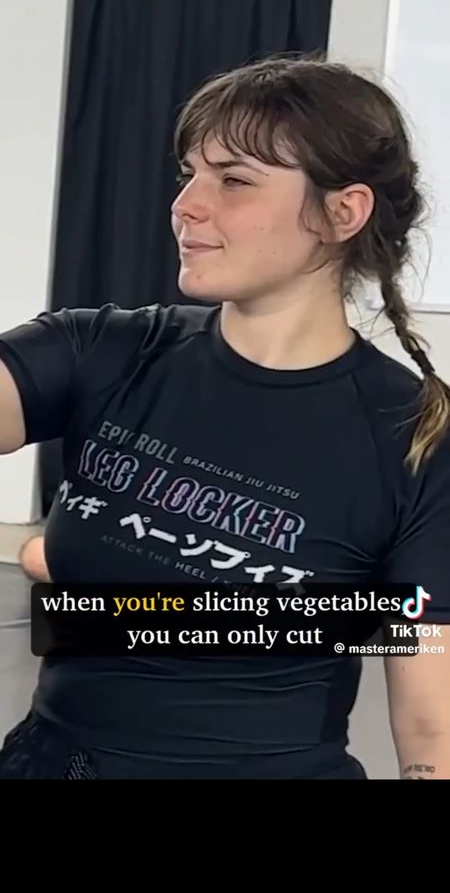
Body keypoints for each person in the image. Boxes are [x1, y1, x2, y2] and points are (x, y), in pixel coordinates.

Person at [1, 53, 450, 780]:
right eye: (190, 174)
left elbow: (432, 720)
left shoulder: (416, 438)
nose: (186, 204)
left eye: (234, 179)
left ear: (343, 212)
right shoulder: (104, 349)